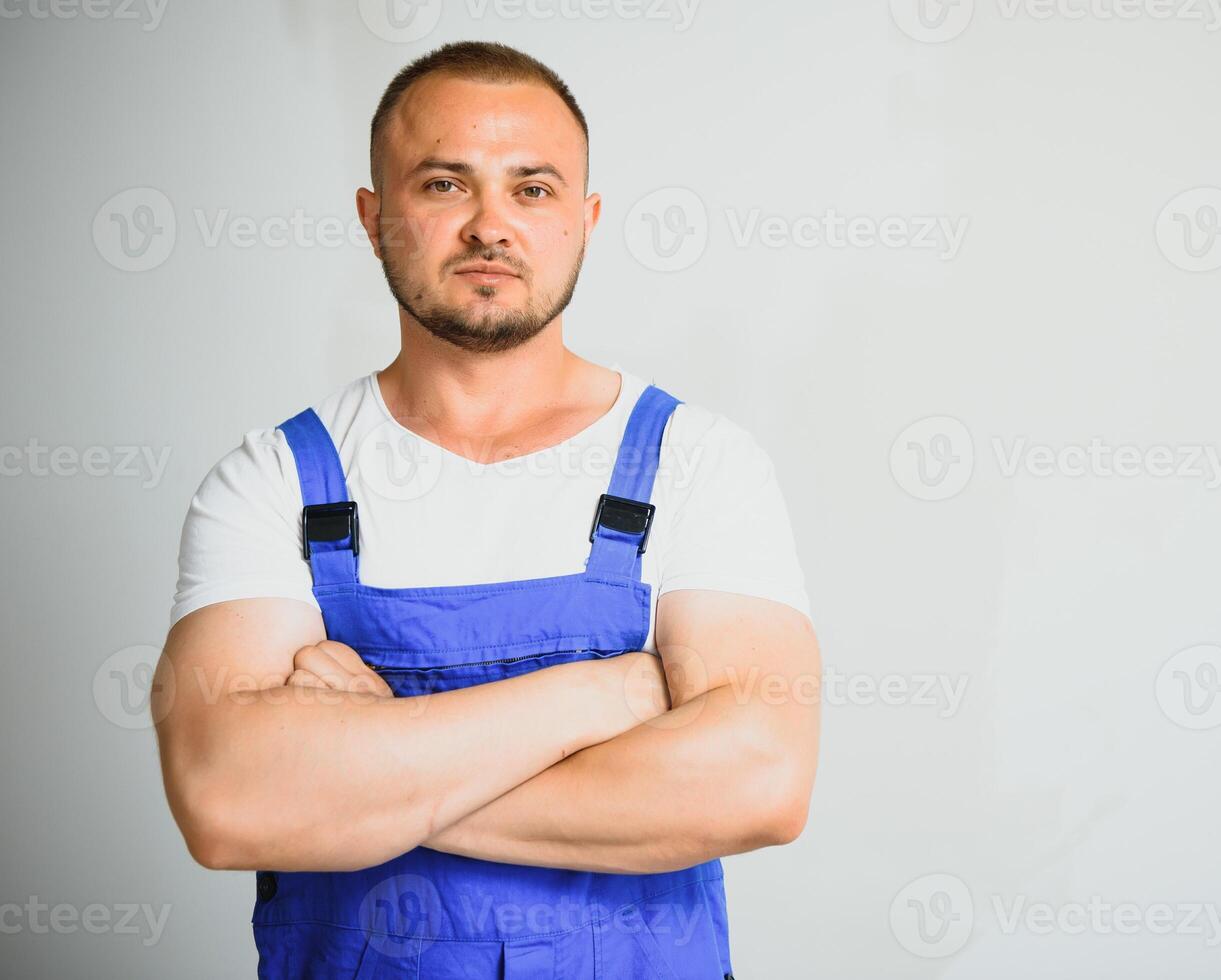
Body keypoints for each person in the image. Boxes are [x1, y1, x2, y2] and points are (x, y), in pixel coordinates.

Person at [152, 40, 820, 979]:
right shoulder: (268, 482)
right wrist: (600, 694)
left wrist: (369, 778)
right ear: (374, 217)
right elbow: (229, 800)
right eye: (443, 185)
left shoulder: (697, 464)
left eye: (533, 189)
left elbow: (761, 783)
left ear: (584, 221)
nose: (490, 226)